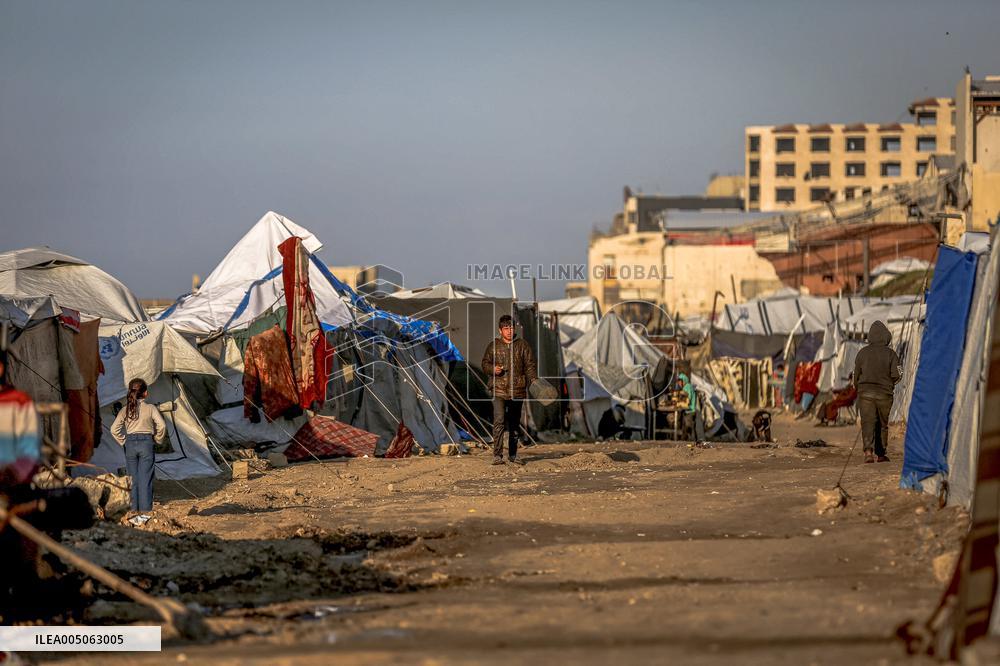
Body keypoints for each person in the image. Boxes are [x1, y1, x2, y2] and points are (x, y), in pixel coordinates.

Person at [481, 315, 537, 466]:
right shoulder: (493, 346)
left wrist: (534, 380)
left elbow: (530, 365)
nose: (509, 331)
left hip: (517, 390)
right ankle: (497, 455)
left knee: (514, 423)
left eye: (511, 328)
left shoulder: (523, 345)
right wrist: (493, 369)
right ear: (500, 330)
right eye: (506, 328)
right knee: (499, 421)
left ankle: (512, 455)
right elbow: (484, 364)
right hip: (498, 389)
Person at [111, 378, 166, 523]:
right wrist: (157, 439)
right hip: (146, 443)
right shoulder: (151, 408)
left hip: (130, 443)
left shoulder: (124, 410)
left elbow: (113, 429)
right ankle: (145, 514)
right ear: (145, 393)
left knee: (133, 479)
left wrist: (124, 441)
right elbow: (162, 426)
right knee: (145, 478)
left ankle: (133, 512)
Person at [853, 321, 901, 463]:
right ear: (886, 336)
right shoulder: (891, 354)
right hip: (884, 395)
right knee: (882, 424)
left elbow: (856, 375)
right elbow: (898, 374)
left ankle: (868, 452)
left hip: (865, 394)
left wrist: (858, 388)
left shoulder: (862, 353)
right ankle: (881, 454)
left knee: (867, 422)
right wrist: (889, 385)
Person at [674, 373, 702, 441]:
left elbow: (687, 400)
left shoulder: (688, 387)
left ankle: (693, 442)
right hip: (688, 411)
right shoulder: (685, 387)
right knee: (686, 429)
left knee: (689, 428)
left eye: (680, 381)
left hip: (690, 411)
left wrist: (679, 403)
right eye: (678, 382)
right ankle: (687, 442)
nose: (679, 383)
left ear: (684, 380)